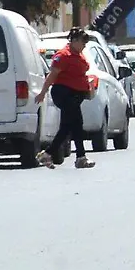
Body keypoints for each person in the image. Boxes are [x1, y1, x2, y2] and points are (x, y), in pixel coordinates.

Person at [35, 28, 96, 169]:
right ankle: (71, 156)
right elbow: (52, 75)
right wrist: (43, 92)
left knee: (72, 126)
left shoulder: (79, 55)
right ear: (74, 41)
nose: (84, 45)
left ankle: (55, 155)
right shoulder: (63, 55)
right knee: (73, 125)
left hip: (76, 95)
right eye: (82, 42)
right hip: (64, 93)